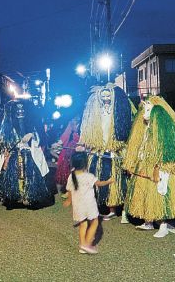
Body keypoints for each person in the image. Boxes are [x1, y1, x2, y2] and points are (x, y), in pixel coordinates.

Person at [123, 96, 175, 238]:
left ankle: (163, 225)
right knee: (145, 194)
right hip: (144, 165)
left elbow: (169, 151)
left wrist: (159, 168)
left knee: (160, 194)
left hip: (158, 168)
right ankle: (149, 221)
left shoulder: (164, 130)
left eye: (148, 110)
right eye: (144, 110)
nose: (145, 113)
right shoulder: (144, 128)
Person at [79, 83, 133, 222]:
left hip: (115, 150)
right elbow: (89, 130)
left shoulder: (119, 112)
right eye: (103, 96)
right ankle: (109, 209)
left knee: (119, 181)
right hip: (99, 149)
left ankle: (124, 210)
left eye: (108, 95)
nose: (106, 98)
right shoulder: (96, 112)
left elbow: (124, 131)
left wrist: (115, 145)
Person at [0, 100, 54, 209]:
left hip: (29, 155)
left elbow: (40, 137)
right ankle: (17, 196)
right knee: (14, 177)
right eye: (18, 110)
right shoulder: (7, 126)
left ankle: (28, 196)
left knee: (30, 177)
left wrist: (31, 134)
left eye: (22, 110)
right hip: (14, 156)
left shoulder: (32, 125)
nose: (20, 112)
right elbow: (3, 140)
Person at [63, 152, 113, 254]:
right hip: (89, 205)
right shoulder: (89, 176)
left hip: (78, 206)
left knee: (83, 224)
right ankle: (87, 244)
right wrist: (109, 181)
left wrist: (68, 201)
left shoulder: (71, 176)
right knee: (94, 222)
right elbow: (99, 184)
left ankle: (82, 245)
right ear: (85, 164)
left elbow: (69, 191)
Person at [54, 116, 80, 197]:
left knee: (72, 175)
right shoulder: (69, 133)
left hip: (75, 157)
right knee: (61, 174)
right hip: (65, 156)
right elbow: (62, 140)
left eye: (77, 124)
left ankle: (70, 192)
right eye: (75, 125)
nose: (76, 126)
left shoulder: (80, 133)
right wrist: (57, 145)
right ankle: (59, 192)